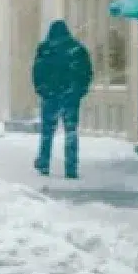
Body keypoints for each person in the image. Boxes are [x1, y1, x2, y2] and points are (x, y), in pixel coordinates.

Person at [31, 20, 93, 178]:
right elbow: (86, 73)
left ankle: (44, 163)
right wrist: (78, 92)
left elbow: (38, 72)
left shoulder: (45, 49)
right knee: (71, 132)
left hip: (51, 97)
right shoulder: (77, 49)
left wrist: (42, 90)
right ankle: (71, 167)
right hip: (70, 97)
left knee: (47, 132)